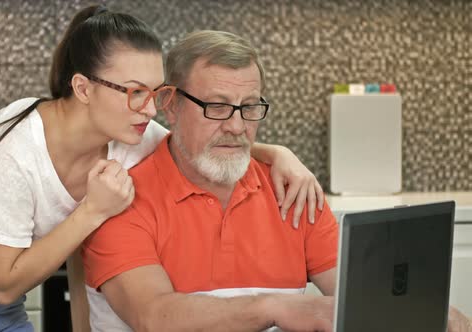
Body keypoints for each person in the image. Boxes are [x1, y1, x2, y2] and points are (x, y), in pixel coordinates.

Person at [0, 6, 325, 332]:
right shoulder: (11, 153)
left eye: (155, 92)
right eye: (134, 91)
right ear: (83, 88)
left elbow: (200, 143)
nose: (150, 108)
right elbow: (3, 285)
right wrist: (92, 210)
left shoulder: (128, 133)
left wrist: (280, 154)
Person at [81, 30, 472, 332]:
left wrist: (431, 312)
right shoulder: (120, 199)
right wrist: (277, 307)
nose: (236, 126)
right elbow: (155, 316)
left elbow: (362, 293)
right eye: (217, 107)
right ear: (170, 104)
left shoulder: (293, 191)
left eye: (250, 108)